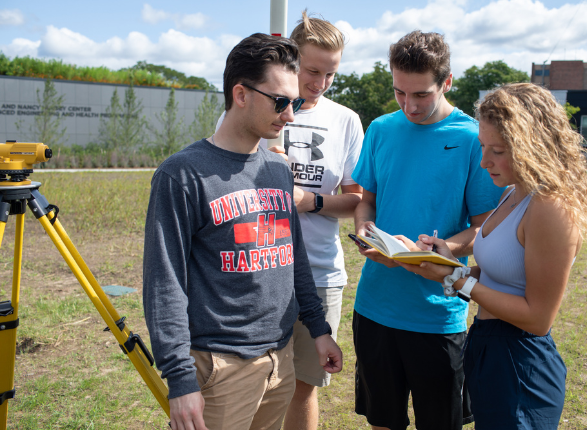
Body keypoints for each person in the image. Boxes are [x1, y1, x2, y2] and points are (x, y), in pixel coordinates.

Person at [143, 33, 343, 430]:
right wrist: (181, 380)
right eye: (281, 102)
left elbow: (293, 258)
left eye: (295, 103)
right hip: (219, 368)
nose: (290, 115)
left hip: (280, 359)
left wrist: (318, 330)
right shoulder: (182, 174)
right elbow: (164, 283)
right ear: (241, 94)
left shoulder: (276, 168)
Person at [397, 83, 587, 429]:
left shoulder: (550, 207)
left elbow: (537, 318)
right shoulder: (513, 192)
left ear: (532, 145)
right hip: (487, 348)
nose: (484, 161)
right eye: (482, 146)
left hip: (519, 363)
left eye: (499, 150)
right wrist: (447, 265)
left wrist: (455, 278)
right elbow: (499, 276)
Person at [216, 13, 364, 430]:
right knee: (249, 381)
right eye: (313, 70)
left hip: (318, 270)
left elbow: (356, 201)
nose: (320, 83)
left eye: (331, 74)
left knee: (303, 385)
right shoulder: (253, 108)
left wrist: (305, 200)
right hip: (256, 268)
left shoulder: (346, 121)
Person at [351, 30, 504, 430]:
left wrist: (444, 247)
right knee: (382, 420)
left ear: (447, 82)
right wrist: (364, 226)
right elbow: (366, 198)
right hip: (375, 306)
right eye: (400, 92)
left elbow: (485, 226)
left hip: (437, 315)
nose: (409, 105)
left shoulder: (473, 138)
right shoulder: (382, 128)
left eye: (421, 94)